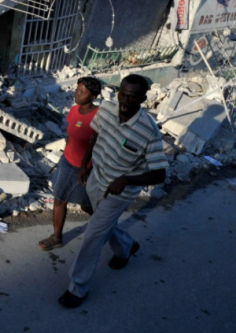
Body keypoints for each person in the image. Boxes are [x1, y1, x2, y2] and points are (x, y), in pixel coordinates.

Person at [58, 74, 168, 309]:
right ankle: (125, 246)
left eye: (133, 96)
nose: (126, 101)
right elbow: (95, 136)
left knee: (93, 235)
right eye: (123, 94)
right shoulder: (107, 109)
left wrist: (127, 179)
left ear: (143, 98)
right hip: (97, 178)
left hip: (120, 192)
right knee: (102, 224)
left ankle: (77, 287)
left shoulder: (149, 131)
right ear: (117, 93)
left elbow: (160, 173)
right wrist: (84, 164)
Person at [37, 77, 101, 251]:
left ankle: (106, 225)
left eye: (82, 92)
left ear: (94, 96)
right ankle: (57, 237)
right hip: (67, 162)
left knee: (86, 205)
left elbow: (95, 143)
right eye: (77, 90)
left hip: (86, 168)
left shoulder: (99, 116)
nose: (77, 94)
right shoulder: (74, 110)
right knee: (59, 198)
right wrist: (65, 155)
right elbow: (71, 135)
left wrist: (84, 167)